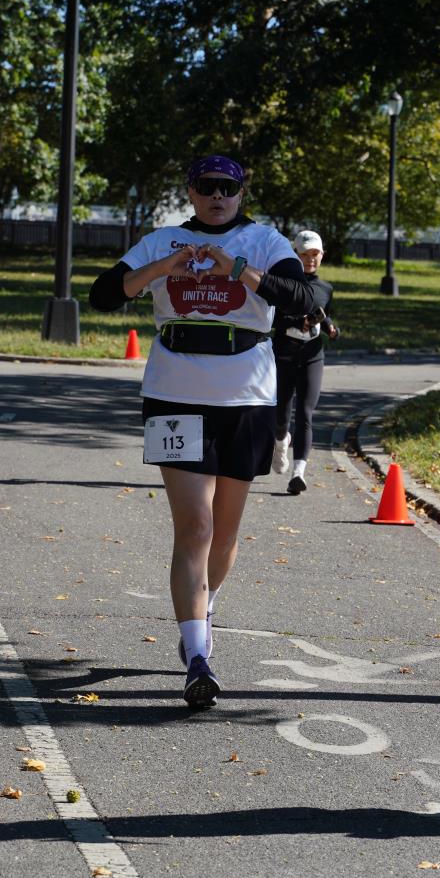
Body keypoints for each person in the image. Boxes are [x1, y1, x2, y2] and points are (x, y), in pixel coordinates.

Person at [89, 156, 315, 709]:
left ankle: (204, 607)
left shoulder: (264, 241)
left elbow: (304, 298)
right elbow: (102, 295)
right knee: (195, 527)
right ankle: (196, 658)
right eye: (207, 187)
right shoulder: (162, 241)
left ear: (241, 192)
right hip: (175, 393)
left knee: (225, 533)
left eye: (227, 187)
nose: (218, 196)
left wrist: (236, 271)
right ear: (191, 191)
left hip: (247, 396)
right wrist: (163, 268)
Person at [272, 229, 339, 494]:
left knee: (305, 413)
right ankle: (281, 441)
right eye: (304, 254)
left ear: (322, 255)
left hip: (312, 355)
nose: (310, 259)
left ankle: (299, 473)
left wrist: (330, 328)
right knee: (281, 414)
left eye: (315, 254)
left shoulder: (326, 288)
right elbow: (273, 319)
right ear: (294, 255)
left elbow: (325, 314)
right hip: (284, 354)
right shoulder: (283, 283)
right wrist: (297, 322)